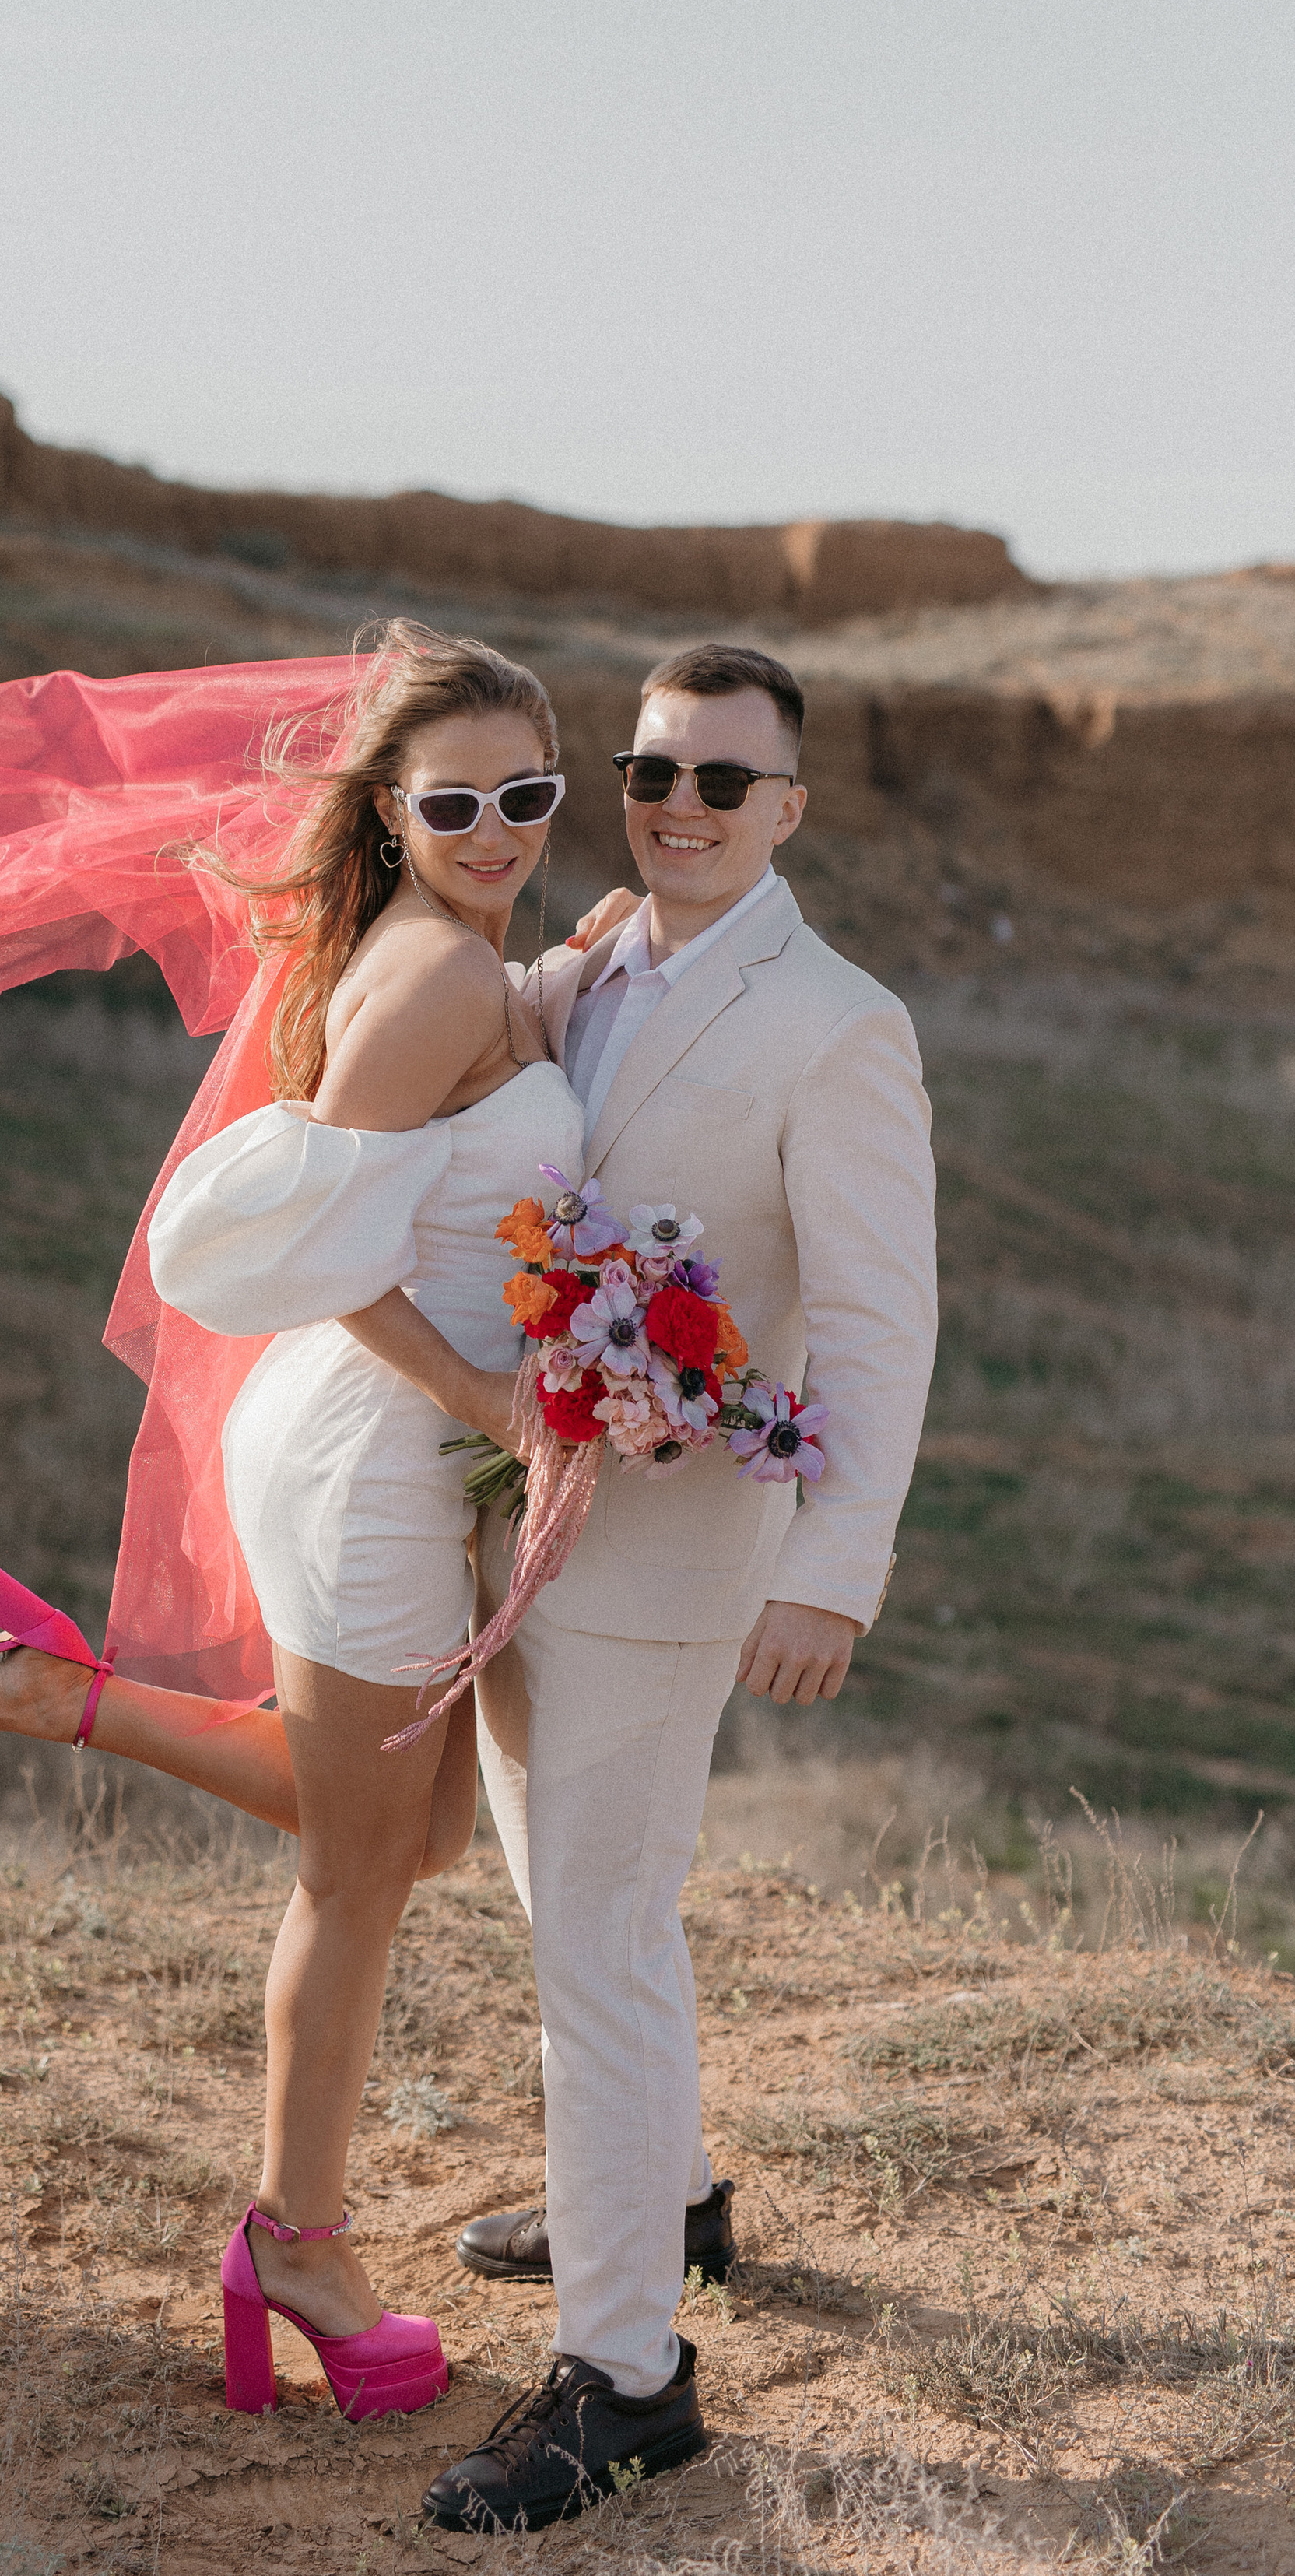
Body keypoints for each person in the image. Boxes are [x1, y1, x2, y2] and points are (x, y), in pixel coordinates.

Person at [0, 621, 608, 2423]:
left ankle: (44, 1695)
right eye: (455, 802)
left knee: (393, 1842)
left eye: (526, 795)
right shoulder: (425, 983)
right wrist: (490, 1401)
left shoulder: (463, 960)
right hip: (373, 1454)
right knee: (358, 1876)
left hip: (391, 1453)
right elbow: (310, 1255)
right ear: (394, 812)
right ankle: (297, 2244)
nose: (495, 829)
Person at [412, 641, 939, 2533]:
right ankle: (669, 2194)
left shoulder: (837, 1022)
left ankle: (625, 2379)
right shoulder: (586, 966)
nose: (681, 807)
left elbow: (880, 1319)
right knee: (586, 1900)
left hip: (680, 1553)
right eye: (652, 773)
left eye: (726, 782)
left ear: (788, 809)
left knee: (596, 1936)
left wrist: (835, 1569)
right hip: (526, 1524)